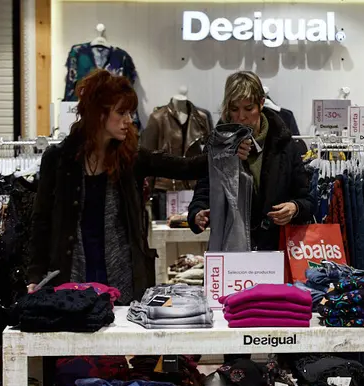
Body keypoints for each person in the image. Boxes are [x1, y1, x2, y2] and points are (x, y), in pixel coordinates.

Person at [26, 69, 224, 305]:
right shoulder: (58, 159)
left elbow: (187, 168)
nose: (128, 120)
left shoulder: (131, 158)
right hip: (71, 275)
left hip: (124, 279)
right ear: (98, 114)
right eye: (121, 113)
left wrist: (225, 147)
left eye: (129, 112)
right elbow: (41, 221)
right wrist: (35, 276)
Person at [188, 71, 314, 250]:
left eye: (248, 108)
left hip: (274, 251)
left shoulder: (285, 145)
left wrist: (295, 208)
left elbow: (307, 198)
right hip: (230, 249)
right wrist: (198, 214)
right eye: (234, 109)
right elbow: (203, 192)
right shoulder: (217, 145)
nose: (241, 116)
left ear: (261, 103)